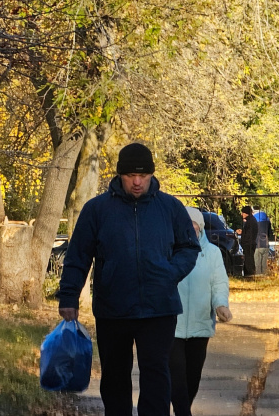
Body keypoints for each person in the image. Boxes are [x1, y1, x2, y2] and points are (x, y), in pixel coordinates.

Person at [56, 142, 201, 416]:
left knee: (156, 375)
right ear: (119, 175)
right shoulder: (97, 210)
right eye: (131, 176)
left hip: (159, 309)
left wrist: (169, 274)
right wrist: (69, 295)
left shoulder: (170, 207)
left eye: (143, 176)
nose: (137, 182)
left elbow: (189, 247)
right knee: (114, 376)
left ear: (152, 175)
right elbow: (78, 255)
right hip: (114, 308)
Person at [170, 207, 232, 416]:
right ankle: (182, 413)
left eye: (193, 227)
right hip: (172, 326)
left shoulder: (212, 253)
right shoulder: (168, 251)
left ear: (200, 229)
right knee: (176, 377)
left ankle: (183, 409)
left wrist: (221, 305)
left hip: (201, 324)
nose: (189, 231)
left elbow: (219, 283)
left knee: (192, 377)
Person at [236, 206, 258, 277]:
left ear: (246, 213)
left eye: (243, 213)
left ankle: (249, 275)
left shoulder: (250, 221)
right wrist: (243, 232)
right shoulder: (251, 220)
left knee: (249, 261)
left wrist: (244, 237)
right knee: (248, 260)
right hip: (249, 244)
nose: (241, 214)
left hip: (248, 244)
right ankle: (249, 274)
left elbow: (249, 234)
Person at [252, 205, 273, 275]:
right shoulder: (267, 218)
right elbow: (270, 233)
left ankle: (258, 280)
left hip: (257, 244)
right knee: (264, 266)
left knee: (257, 265)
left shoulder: (253, 219)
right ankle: (264, 279)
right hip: (266, 244)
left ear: (253, 211)